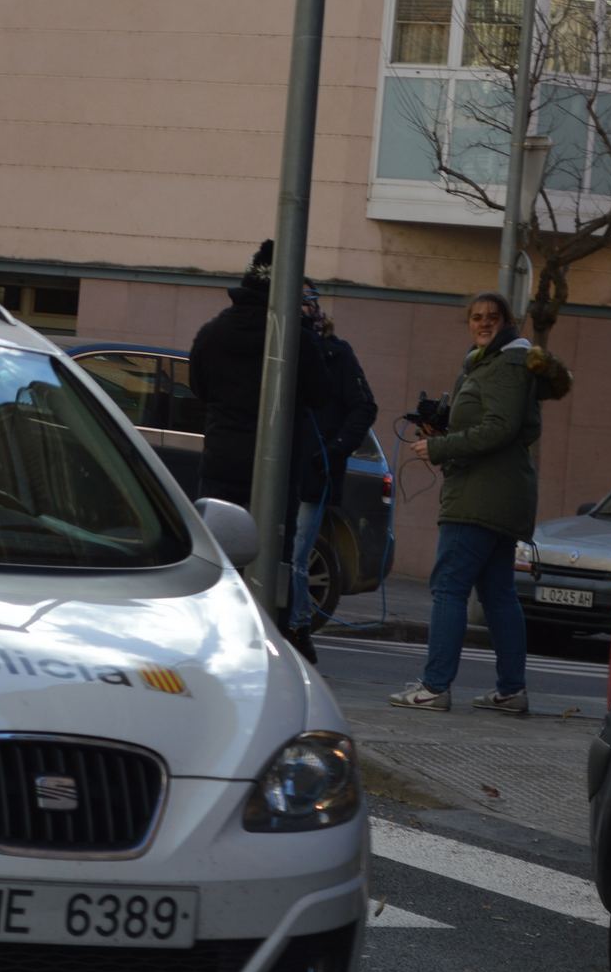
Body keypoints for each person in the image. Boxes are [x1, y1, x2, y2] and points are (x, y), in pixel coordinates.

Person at [389, 292, 544, 715]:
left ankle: (435, 687)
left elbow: (500, 427)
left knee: (449, 588)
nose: (483, 323)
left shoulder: (506, 364)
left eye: (492, 317)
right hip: (498, 494)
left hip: (480, 496)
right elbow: (494, 424)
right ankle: (510, 691)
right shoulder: (489, 362)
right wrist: (442, 431)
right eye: (476, 317)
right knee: (497, 593)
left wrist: (441, 447)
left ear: (507, 321)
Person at [189, 239, 331, 659]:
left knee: (218, 558)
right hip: (275, 466)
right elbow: (322, 393)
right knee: (273, 560)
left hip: (222, 458)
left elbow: (199, 388)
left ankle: (213, 640)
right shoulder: (295, 339)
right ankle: (268, 644)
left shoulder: (213, 333)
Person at [289, 283, 377, 660]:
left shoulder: (336, 354)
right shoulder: (280, 346)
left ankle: (297, 627)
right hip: (281, 470)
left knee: (297, 553)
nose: (304, 308)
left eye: (308, 302)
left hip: (314, 470)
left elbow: (364, 406)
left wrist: (334, 448)